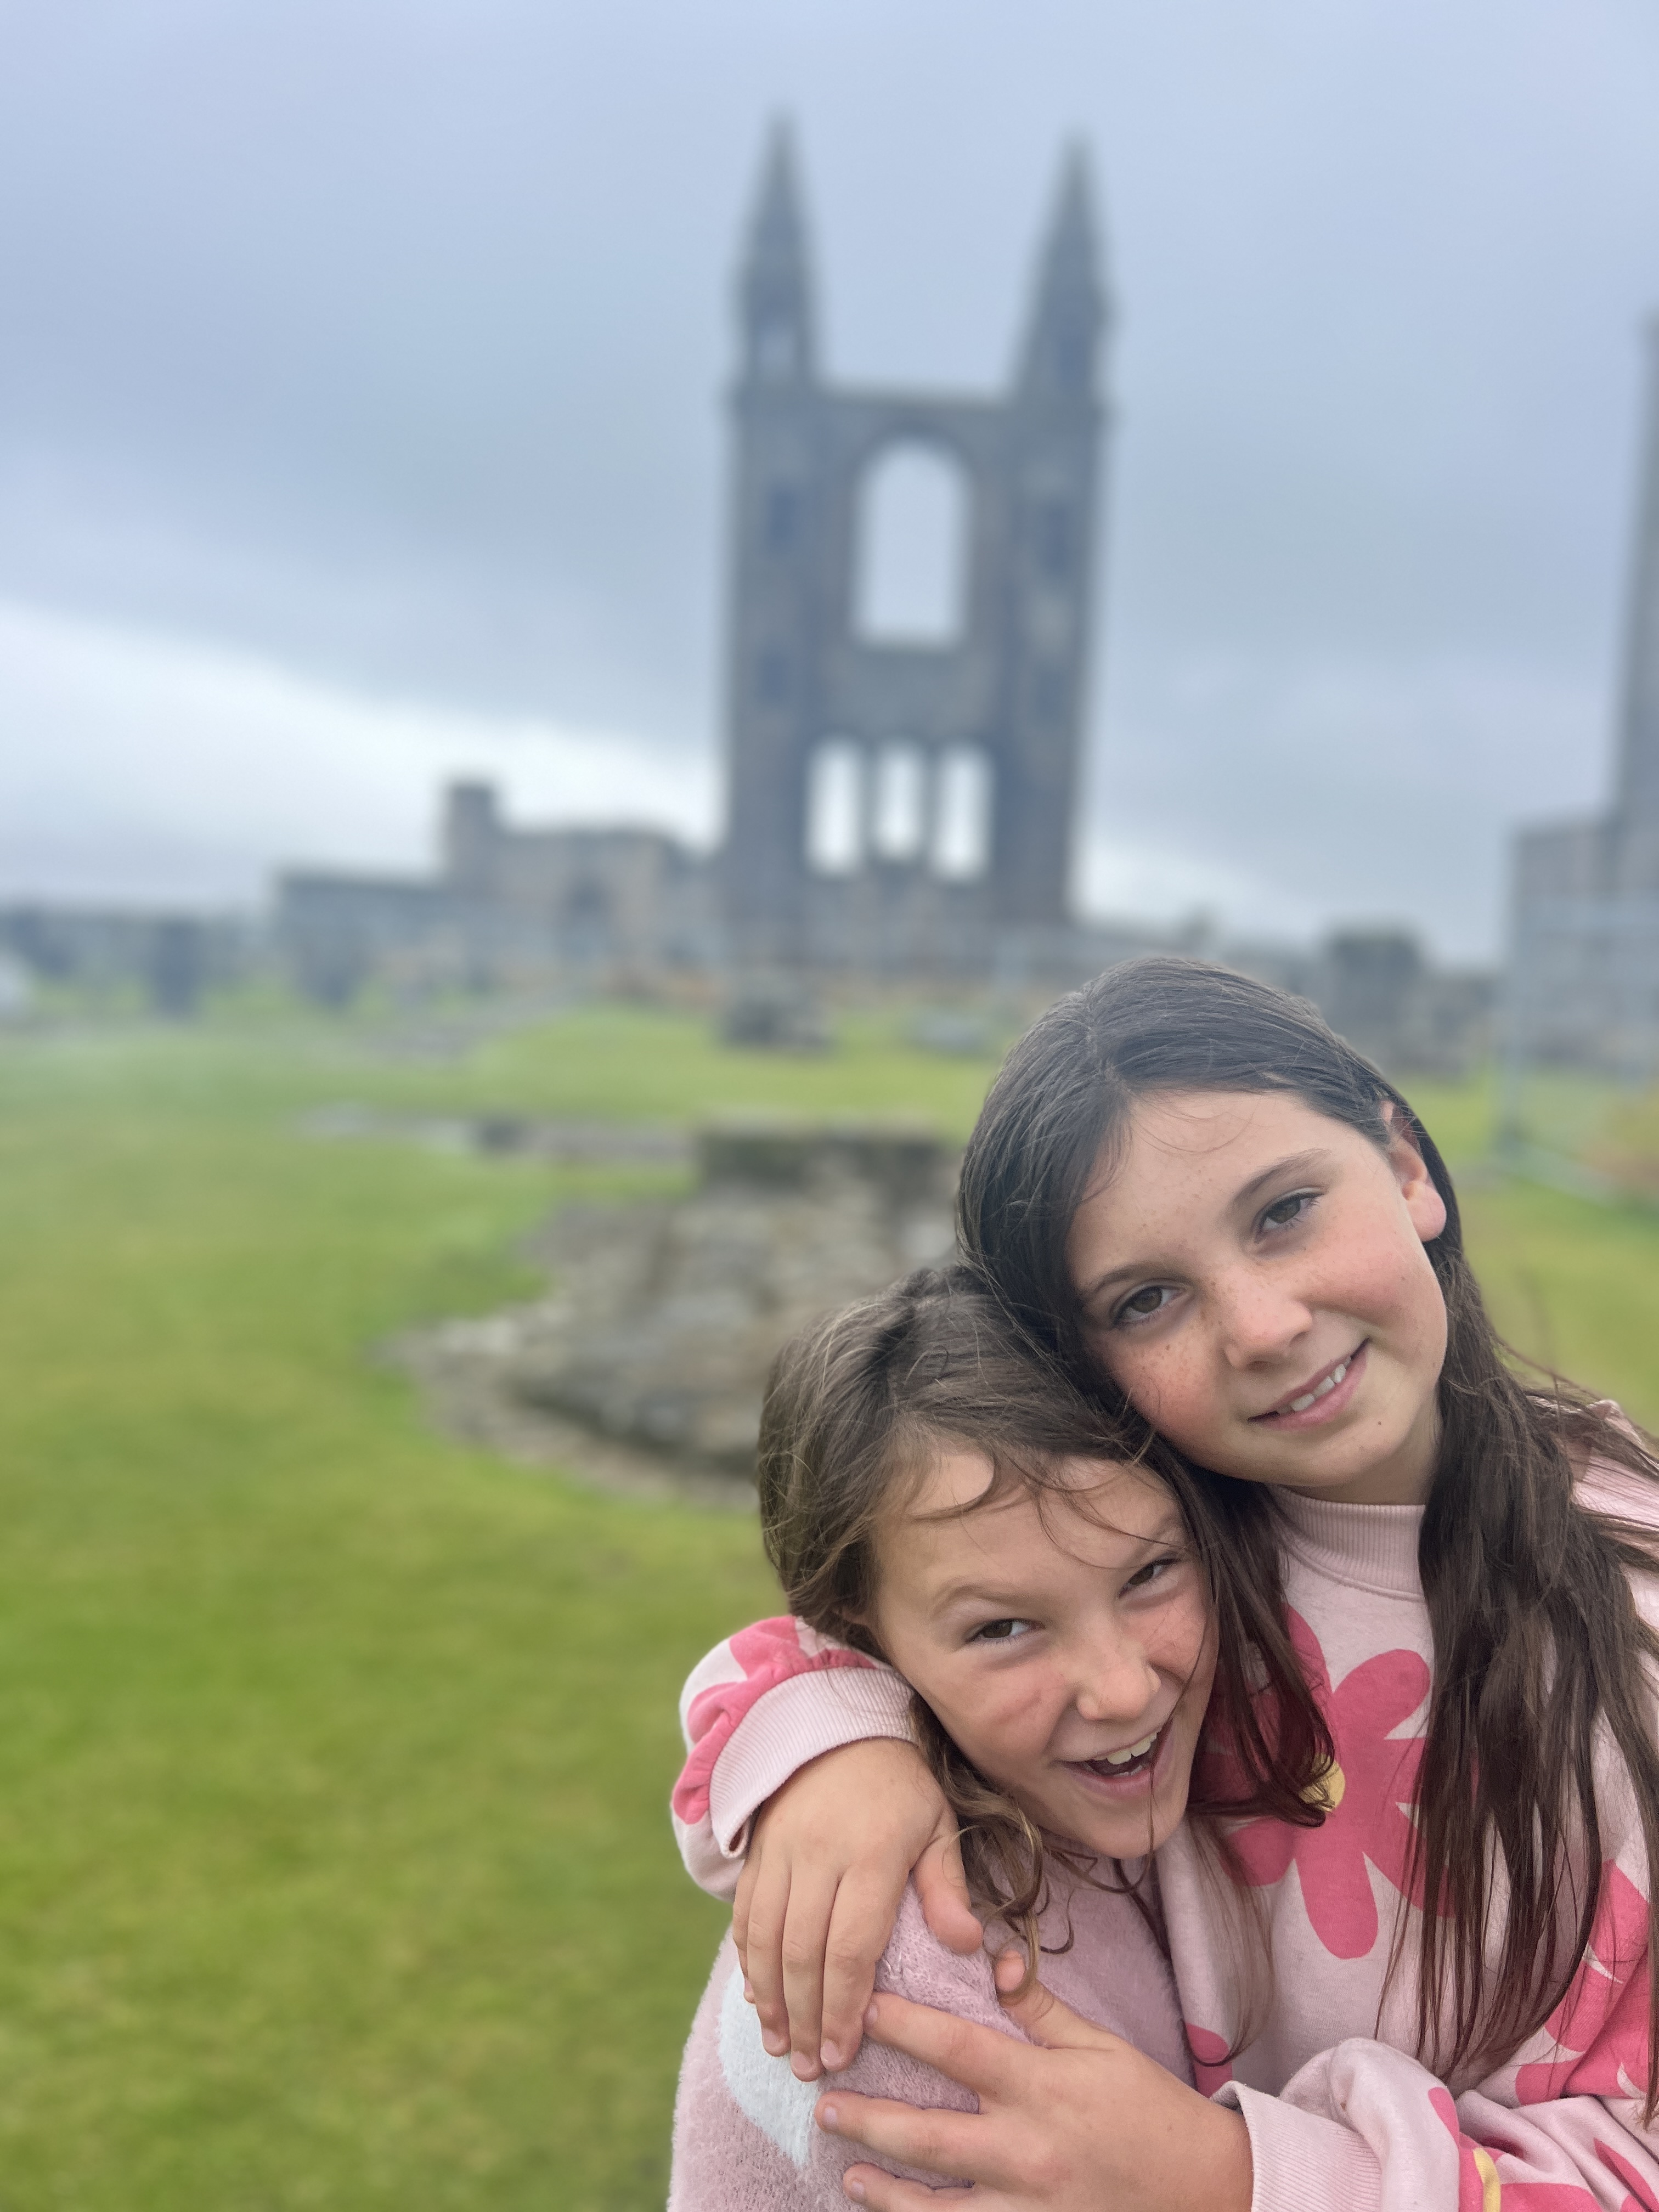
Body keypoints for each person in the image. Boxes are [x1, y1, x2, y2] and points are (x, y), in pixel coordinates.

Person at [671, 957, 1659, 2211]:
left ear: (1405, 1164)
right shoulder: (1156, 1521)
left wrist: (1229, 2179)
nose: (1260, 1326)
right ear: (1084, 1371)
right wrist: (840, 1741)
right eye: (1146, 1299)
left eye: (1284, 1210)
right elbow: (897, 1597)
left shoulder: (1629, 1626)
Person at [669, 1266, 1249, 2208]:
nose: (1121, 1688)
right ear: (861, 1636)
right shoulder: (918, 1975)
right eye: (1003, 1628)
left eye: (1149, 1573)